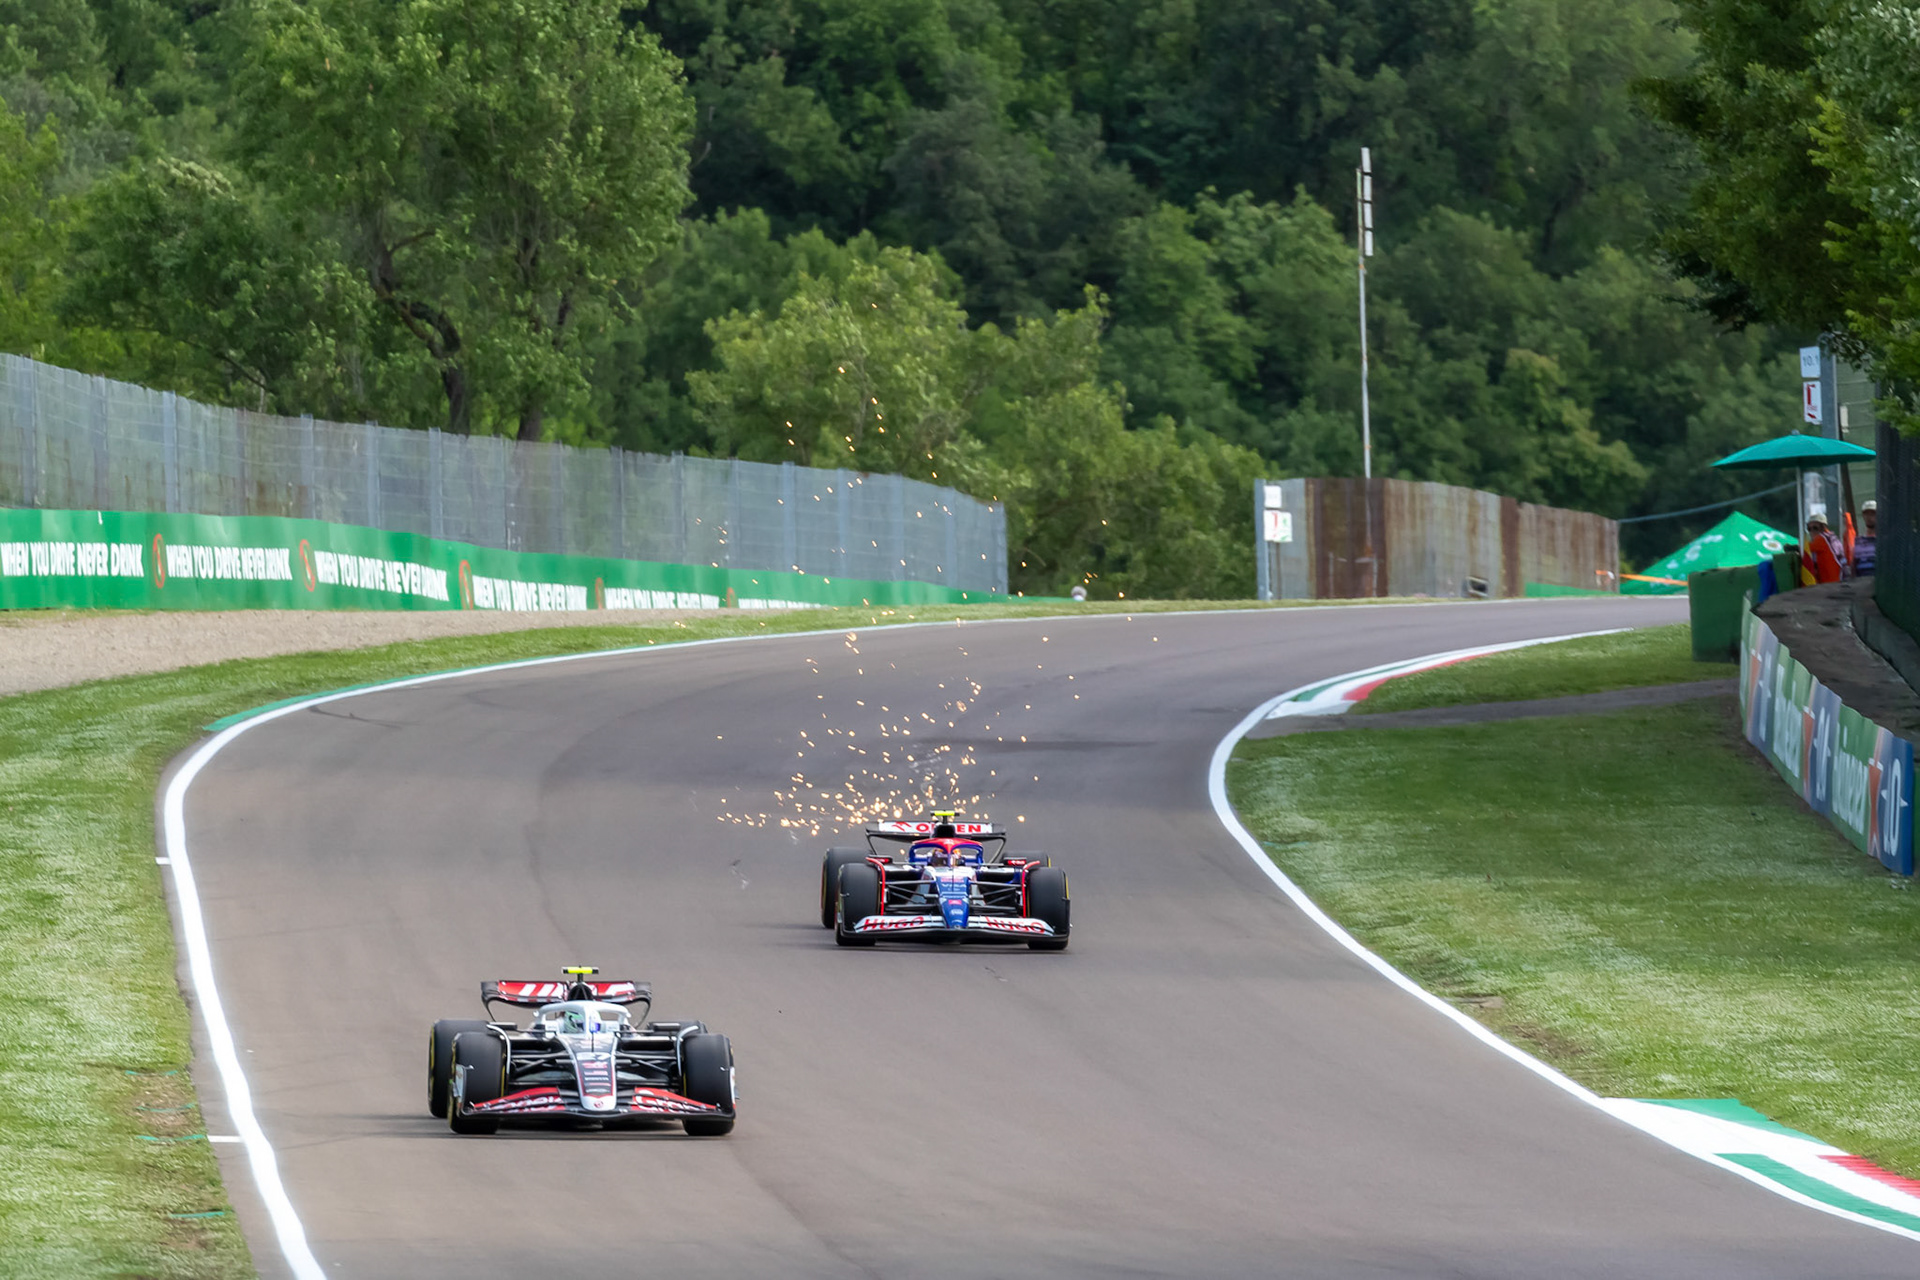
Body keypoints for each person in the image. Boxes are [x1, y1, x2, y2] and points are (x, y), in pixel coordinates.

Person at [1802, 513, 1851, 584]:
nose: (1812, 531)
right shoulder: (1833, 537)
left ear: (1823, 527)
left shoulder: (1822, 539)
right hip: (1839, 580)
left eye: (1815, 528)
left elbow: (1805, 549)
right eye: (1809, 529)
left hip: (1831, 583)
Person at [1853, 500, 1878, 576]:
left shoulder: (1884, 541)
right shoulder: (1858, 542)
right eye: (1866, 514)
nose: (1869, 517)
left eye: (1872, 514)